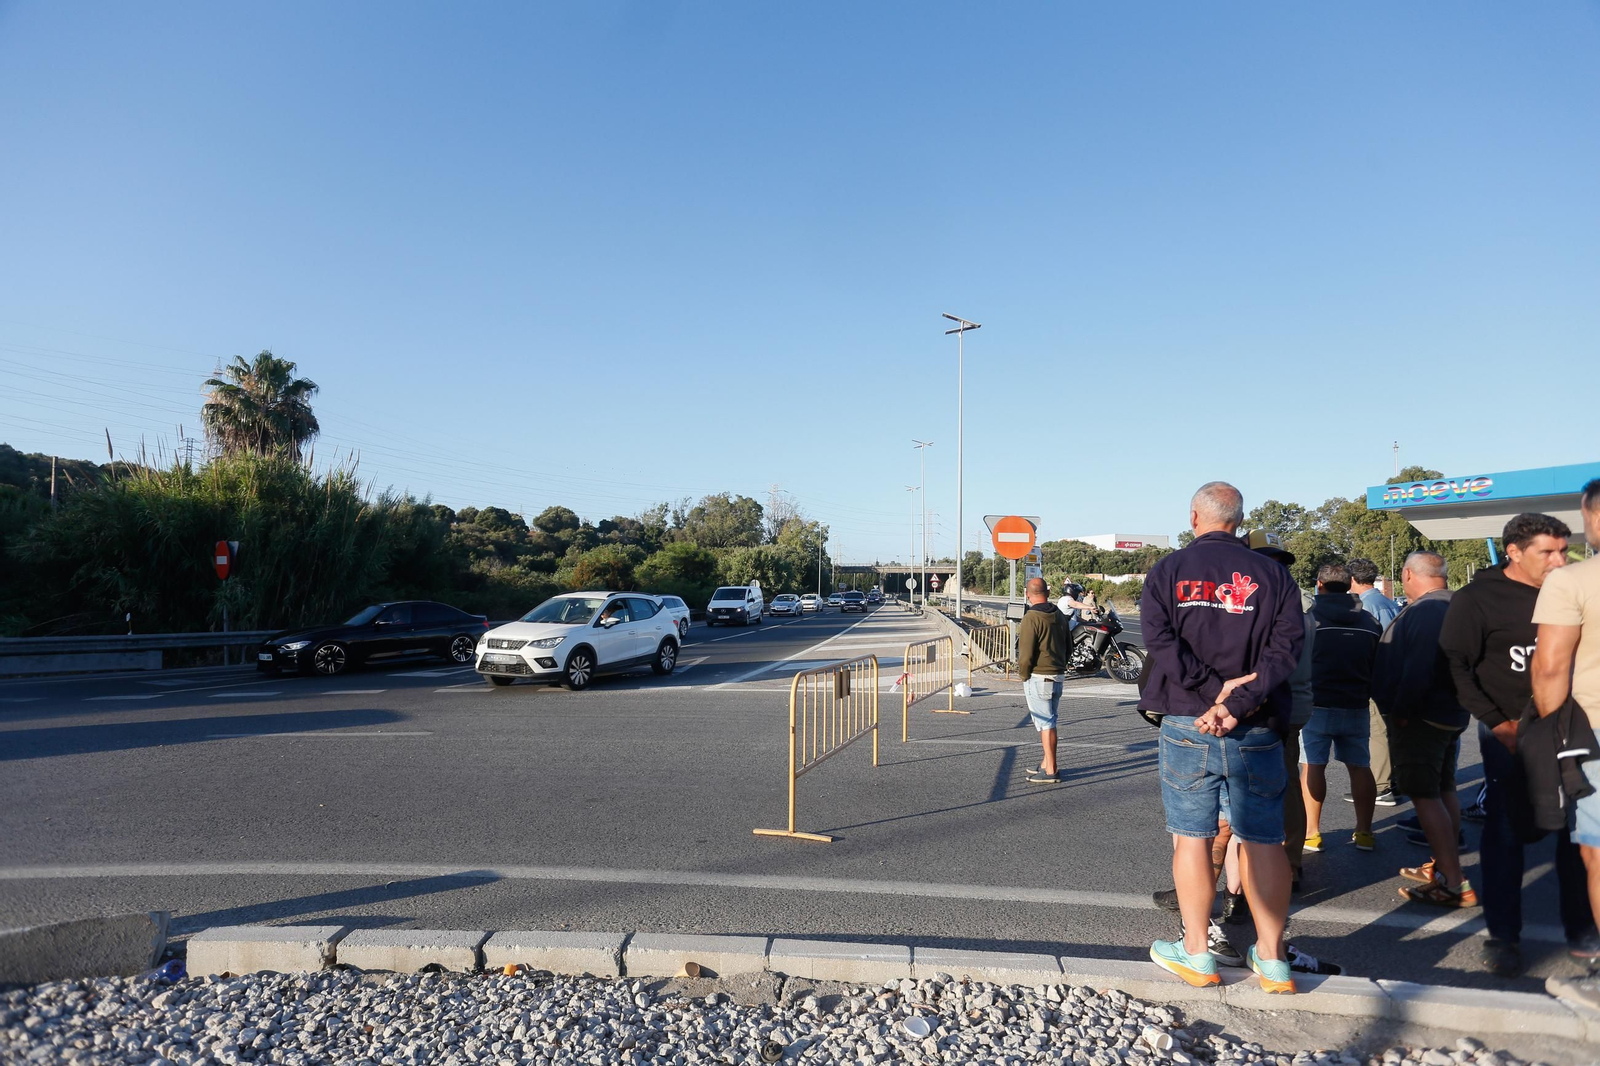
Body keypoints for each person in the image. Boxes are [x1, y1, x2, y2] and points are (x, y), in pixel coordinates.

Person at [1140, 482, 1305, 994]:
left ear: (1195, 517)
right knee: (1263, 840)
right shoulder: (1275, 576)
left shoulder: (1167, 572)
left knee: (1192, 837)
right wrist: (1234, 702)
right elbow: (1286, 651)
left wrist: (1212, 696)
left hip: (1189, 720)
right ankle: (1273, 959)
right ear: (1239, 521)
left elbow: (1159, 641)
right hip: (1253, 722)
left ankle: (1196, 952)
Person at [1440, 512, 1590, 977]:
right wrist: (1497, 724)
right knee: (1506, 831)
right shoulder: (1477, 599)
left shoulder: (1570, 590)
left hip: (1572, 729)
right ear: (1514, 552)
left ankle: (1584, 935)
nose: (1559, 560)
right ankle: (1503, 936)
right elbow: (1455, 667)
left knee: (1576, 832)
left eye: (1565, 550)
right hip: (1508, 730)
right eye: (1548, 551)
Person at [1373, 551, 1476, 908]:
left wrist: (1401, 713)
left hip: (1422, 719)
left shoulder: (1425, 611)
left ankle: (1453, 881)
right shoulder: (1458, 605)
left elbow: (1417, 669)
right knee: (1444, 788)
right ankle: (1445, 866)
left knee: (1424, 794)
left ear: (1407, 574)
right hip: (1451, 714)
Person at [1533, 479, 1600, 1010]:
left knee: (1597, 856)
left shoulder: (1573, 581)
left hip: (1593, 737)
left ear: (1591, 516)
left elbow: (1552, 667)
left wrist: (1549, 741)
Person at [1301, 563, 1383, 854]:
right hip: (1357, 703)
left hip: (1317, 703)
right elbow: (1379, 664)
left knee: (1312, 766)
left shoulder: (1308, 620)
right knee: (1360, 767)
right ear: (1350, 584)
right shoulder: (1370, 622)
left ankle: (1312, 833)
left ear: (1319, 585)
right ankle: (1364, 831)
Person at [1347, 558, 1401, 809]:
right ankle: (1392, 780)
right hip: (1394, 674)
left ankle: (1380, 786)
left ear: (1353, 579)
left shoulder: (1366, 607)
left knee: (1376, 732)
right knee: (1389, 730)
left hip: (1376, 676)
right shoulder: (1387, 602)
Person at [1016, 576, 1070, 785]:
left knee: (1046, 723)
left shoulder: (1031, 617)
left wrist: (1023, 674)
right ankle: (1046, 762)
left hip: (1039, 676)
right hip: (1057, 674)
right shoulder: (1058, 613)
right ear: (1047, 593)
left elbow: (1026, 652)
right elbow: (1069, 644)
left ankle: (1051, 770)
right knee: (1051, 718)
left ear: (1028, 595)